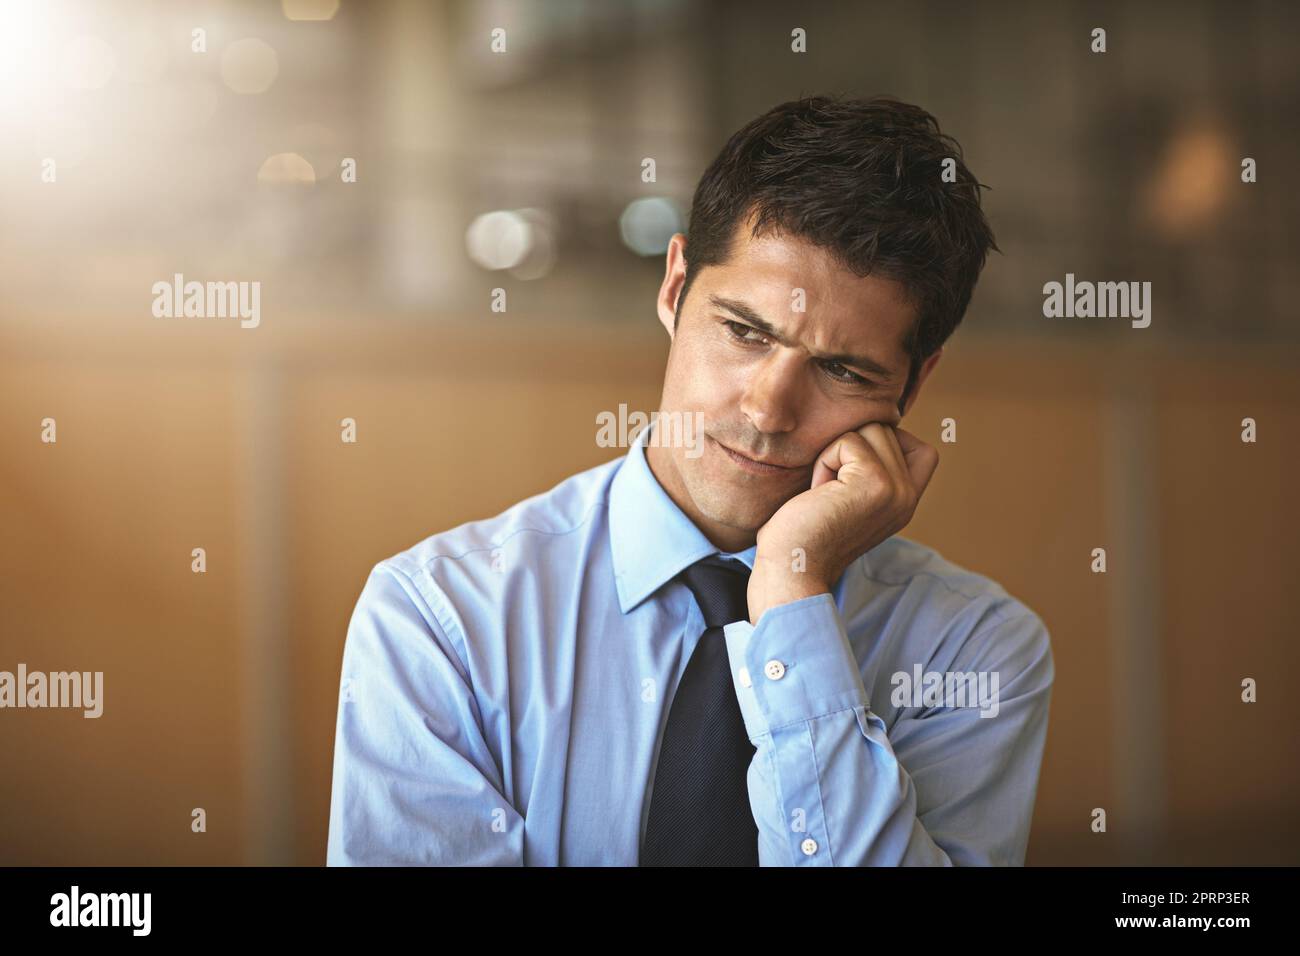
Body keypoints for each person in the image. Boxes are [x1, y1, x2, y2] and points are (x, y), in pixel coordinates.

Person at [326, 94, 1053, 866]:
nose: (768, 408)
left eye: (843, 370)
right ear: (675, 288)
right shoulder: (443, 621)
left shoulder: (972, 650)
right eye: (743, 331)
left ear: (913, 384)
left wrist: (791, 593)